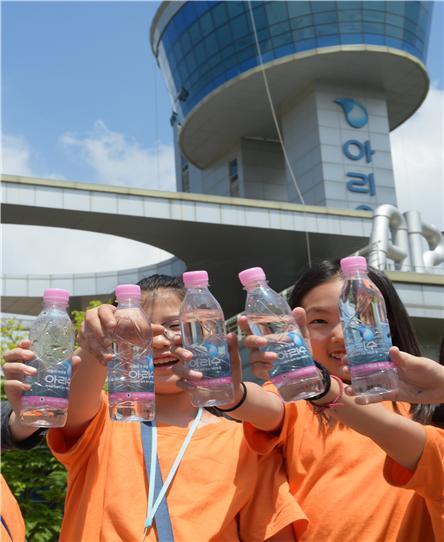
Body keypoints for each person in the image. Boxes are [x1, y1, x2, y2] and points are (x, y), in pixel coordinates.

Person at [3, 275, 306, 542]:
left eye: (176, 326)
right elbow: (77, 399)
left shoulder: (246, 442)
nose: (158, 341)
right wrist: (97, 340)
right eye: (139, 330)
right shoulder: (105, 422)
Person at [224, 260, 442, 541]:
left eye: (359, 316)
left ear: (389, 322)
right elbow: (266, 408)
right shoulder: (298, 399)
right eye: (319, 322)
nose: (340, 335)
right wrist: (235, 396)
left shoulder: (429, 412)